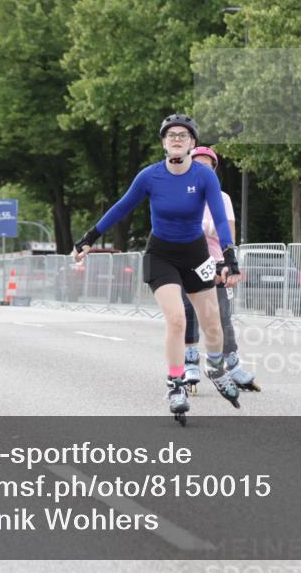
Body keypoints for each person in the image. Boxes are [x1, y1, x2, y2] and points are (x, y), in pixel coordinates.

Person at [72, 113, 245, 425]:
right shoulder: (150, 176)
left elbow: (219, 216)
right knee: (177, 319)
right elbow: (122, 207)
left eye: (183, 135)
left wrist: (230, 252)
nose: (177, 139)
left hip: (197, 255)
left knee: (213, 326)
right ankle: (176, 384)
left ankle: (216, 369)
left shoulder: (204, 177)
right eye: (171, 135)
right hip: (161, 254)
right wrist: (89, 237)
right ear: (164, 143)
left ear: (193, 143)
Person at [181, 146, 257, 393]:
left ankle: (232, 364)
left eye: (208, 166)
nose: (203, 169)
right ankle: (190, 361)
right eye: (198, 165)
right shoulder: (182, 194)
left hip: (216, 263)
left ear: (214, 171)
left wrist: (229, 263)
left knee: (223, 316)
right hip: (189, 261)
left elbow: (229, 232)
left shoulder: (222, 198)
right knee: (189, 312)